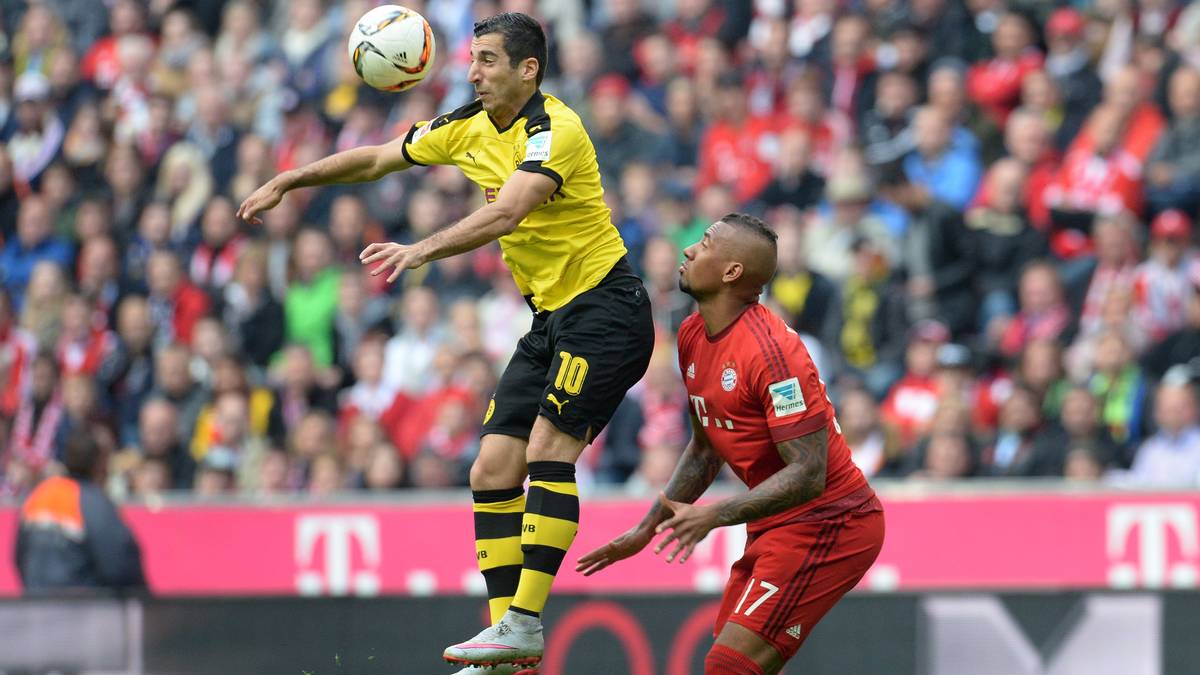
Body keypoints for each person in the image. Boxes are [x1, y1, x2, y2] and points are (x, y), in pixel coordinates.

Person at [236, 13, 654, 674]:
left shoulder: (557, 130)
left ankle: (524, 621)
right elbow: (377, 157)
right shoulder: (466, 126)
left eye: (488, 60)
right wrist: (291, 180)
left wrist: (421, 247)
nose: (473, 71)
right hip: (550, 319)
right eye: (472, 59)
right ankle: (502, 648)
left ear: (529, 69)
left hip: (607, 309)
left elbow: (508, 210)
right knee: (489, 469)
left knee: (548, 448)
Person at [577, 214, 884, 675]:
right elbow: (706, 447)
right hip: (775, 522)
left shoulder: (774, 356)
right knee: (736, 663)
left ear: (731, 272)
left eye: (703, 243)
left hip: (832, 522)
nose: (688, 250)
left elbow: (808, 472)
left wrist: (715, 514)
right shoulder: (691, 335)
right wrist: (648, 526)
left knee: (729, 665)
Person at [15, 431, 146, 594]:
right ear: (99, 464)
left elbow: (19, 556)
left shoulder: (39, 496)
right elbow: (120, 565)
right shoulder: (92, 502)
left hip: (37, 606)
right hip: (79, 608)